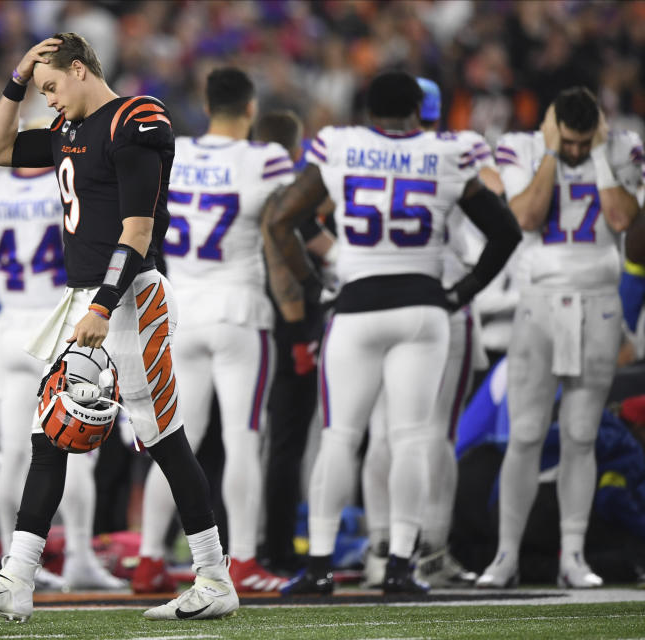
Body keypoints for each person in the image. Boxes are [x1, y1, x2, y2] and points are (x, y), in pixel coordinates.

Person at [0, 33, 238, 621]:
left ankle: (214, 576)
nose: (46, 98)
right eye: (40, 90)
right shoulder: (66, 130)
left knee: (163, 439)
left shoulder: (136, 119)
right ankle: (16, 577)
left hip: (128, 297)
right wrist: (18, 78)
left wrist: (102, 305)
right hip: (87, 302)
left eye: (52, 86)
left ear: (80, 70)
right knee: (49, 435)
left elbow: (138, 232)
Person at [265, 71, 521, 595]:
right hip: (424, 308)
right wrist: (464, 290)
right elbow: (506, 231)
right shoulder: (448, 152)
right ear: (419, 112)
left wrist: (317, 288)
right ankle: (403, 565)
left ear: (366, 112)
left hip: (356, 306)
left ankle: (318, 567)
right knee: (411, 438)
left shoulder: (343, 145)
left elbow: (280, 220)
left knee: (341, 437)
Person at [132, 68, 294, 594]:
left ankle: (150, 557)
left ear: (206, 104)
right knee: (243, 437)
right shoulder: (265, 158)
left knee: (176, 441)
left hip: (182, 313)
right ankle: (243, 558)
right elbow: (291, 223)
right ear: (250, 108)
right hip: (241, 310)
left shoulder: (176, 152)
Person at [476, 87, 644, 589]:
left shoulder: (622, 148)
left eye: (581, 142)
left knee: (581, 435)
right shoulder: (522, 147)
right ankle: (505, 555)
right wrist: (551, 153)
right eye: (568, 141)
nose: (575, 150)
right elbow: (525, 216)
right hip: (540, 303)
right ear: (552, 126)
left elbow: (621, 219)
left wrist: (597, 155)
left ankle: (573, 555)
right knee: (525, 434)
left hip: (599, 301)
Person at [359, 77, 498, 588]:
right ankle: (430, 549)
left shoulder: (358, 150)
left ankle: (379, 548)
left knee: (377, 431)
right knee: (433, 433)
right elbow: (501, 215)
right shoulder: (459, 151)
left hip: (369, 298)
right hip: (438, 300)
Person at [0, 148, 125, 591]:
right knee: (75, 455)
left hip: (9, 330)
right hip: (58, 324)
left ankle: (11, 560)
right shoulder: (66, 183)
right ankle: (78, 556)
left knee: (15, 455)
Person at [254, 110, 333, 576]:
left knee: (229, 441)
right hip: (286, 323)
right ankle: (278, 546)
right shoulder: (286, 188)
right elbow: (301, 238)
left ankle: (231, 543)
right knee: (285, 441)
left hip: (233, 317)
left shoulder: (231, 177)